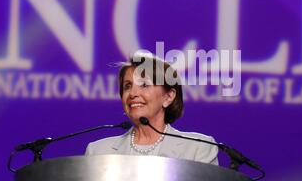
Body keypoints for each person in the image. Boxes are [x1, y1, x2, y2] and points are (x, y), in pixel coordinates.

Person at [85, 53, 219, 165]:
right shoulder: (97, 152)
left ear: (168, 97)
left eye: (144, 85)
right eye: (127, 86)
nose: (132, 94)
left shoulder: (198, 149)